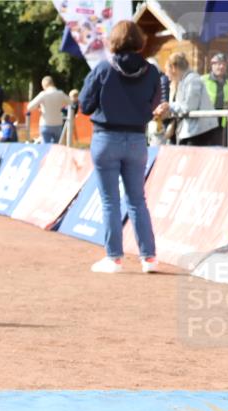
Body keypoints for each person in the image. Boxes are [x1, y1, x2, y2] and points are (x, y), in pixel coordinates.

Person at [79, 20, 160, 274]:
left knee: (110, 201)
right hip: (136, 140)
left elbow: (85, 105)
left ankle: (114, 258)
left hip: (106, 139)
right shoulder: (152, 71)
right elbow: (154, 103)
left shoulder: (104, 68)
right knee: (137, 200)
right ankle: (149, 258)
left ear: (113, 41)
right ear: (139, 41)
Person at [156, 52, 220, 147]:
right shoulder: (184, 81)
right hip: (193, 131)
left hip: (200, 133)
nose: (166, 74)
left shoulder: (192, 80)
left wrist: (169, 106)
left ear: (173, 68)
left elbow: (189, 106)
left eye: (166, 70)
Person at [27, 76, 71, 144]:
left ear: (44, 85)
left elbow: (29, 107)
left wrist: (39, 107)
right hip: (58, 124)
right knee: (56, 147)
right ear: (52, 83)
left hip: (45, 124)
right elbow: (70, 102)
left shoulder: (43, 94)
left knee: (46, 147)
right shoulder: (60, 93)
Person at [204, 53, 228, 143]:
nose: (221, 67)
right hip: (204, 121)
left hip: (220, 122)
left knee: (217, 147)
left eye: (224, 64)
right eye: (219, 64)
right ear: (212, 65)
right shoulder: (203, 80)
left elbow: (227, 102)